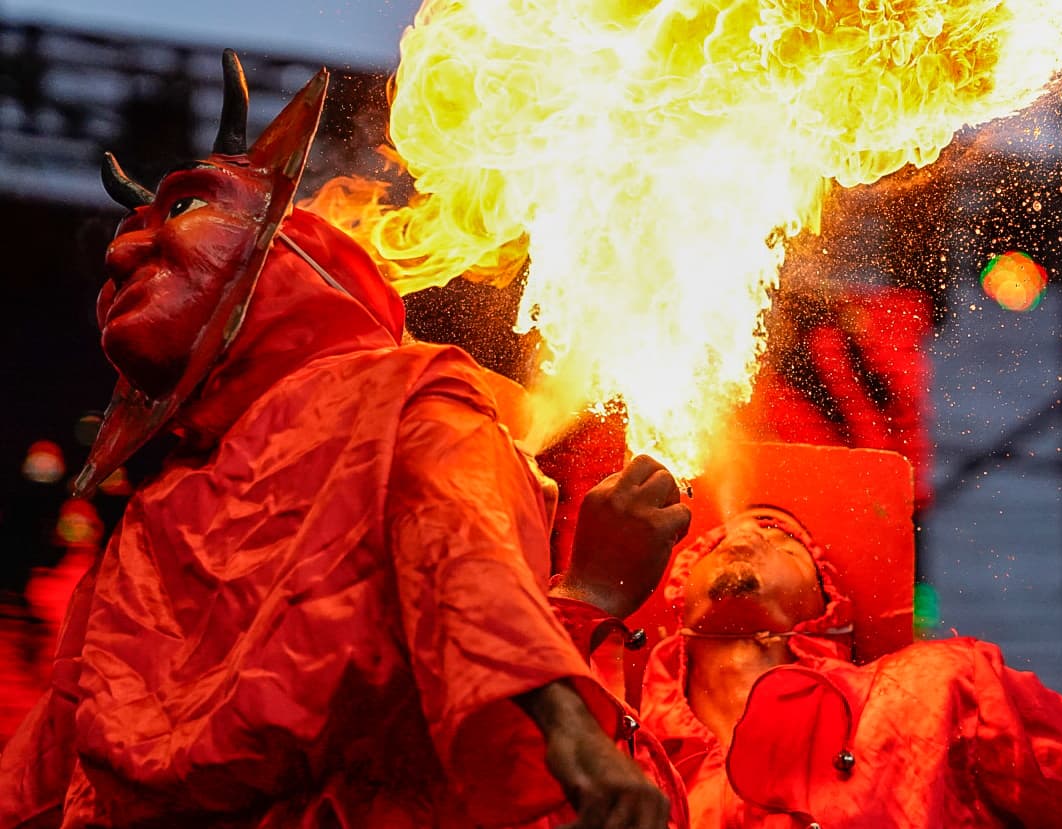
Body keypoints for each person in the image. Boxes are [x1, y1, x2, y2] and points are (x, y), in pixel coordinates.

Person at [0, 51, 689, 829]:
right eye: (121, 251)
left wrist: (572, 701)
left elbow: (461, 559)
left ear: (287, 251)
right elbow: (53, 762)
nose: (122, 255)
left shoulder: (397, 395)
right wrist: (581, 649)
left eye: (183, 211)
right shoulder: (153, 519)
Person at [640, 505, 1062, 828]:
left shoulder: (938, 688)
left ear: (829, 614)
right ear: (678, 593)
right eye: (717, 539)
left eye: (782, 538)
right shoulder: (613, 753)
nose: (745, 531)